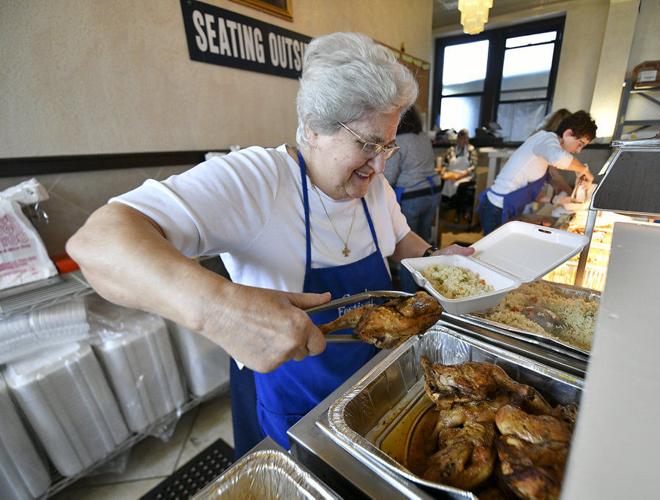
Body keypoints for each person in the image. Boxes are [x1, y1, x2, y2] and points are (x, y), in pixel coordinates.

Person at [66, 32, 473, 455]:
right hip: (299, 408)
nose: (381, 164)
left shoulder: (374, 187)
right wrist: (218, 308)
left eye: (387, 145)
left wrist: (433, 258)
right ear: (314, 128)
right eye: (367, 145)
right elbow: (98, 241)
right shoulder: (258, 180)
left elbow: (400, 238)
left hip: (375, 388)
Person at [478, 110, 597, 235]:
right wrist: (583, 170)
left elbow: (530, 193)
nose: (578, 150)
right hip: (496, 208)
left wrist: (557, 200)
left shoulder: (547, 150)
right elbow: (559, 158)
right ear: (568, 133)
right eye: (580, 144)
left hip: (507, 207)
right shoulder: (546, 138)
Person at [384, 106, 440, 243]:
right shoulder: (424, 137)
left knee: (409, 241)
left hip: (412, 195)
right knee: (424, 238)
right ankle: (426, 263)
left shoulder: (398, 141)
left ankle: (407, 265)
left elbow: (390, 176)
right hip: (433, 192)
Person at [439, 128, 478, 223]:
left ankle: (458, 213)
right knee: (442, 183)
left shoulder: (471, 150)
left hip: (466, 176)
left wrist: (460, 176)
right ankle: (444, 211)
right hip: (452, 174)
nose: (463, 141)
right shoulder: (451, 150)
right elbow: (445, 164)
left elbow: (473, 166)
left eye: (465, 139)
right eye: (461, 139)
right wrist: (444, 173)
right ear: (458, 139)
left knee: (461, 187)